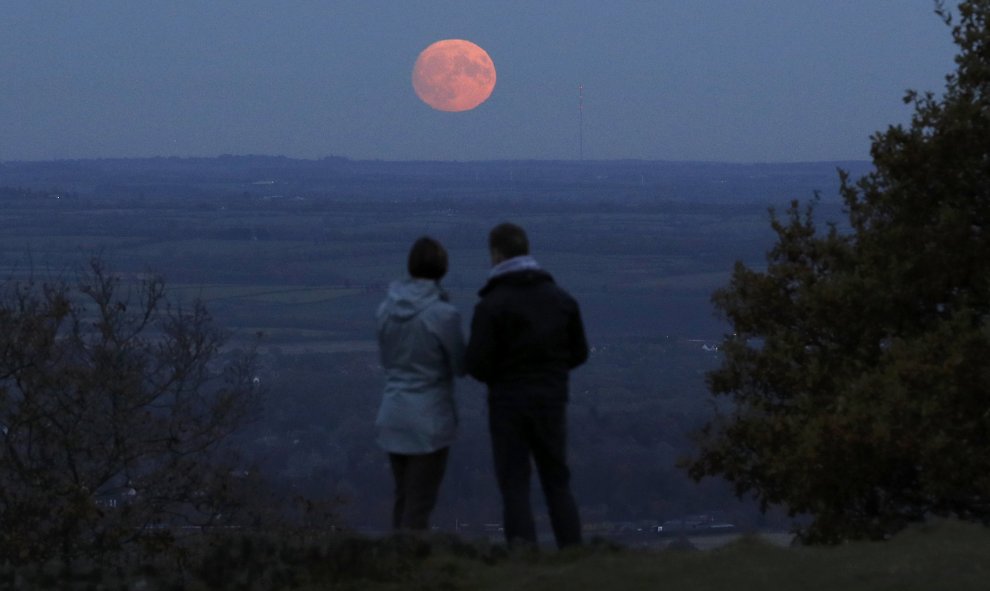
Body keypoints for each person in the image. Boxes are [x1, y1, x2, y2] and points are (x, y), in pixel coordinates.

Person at [465, 222, 588, 549]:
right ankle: (574, 556)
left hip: (507, 406)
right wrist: (551, 374)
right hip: (551, 401)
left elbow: (476, 363)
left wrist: (502, 378)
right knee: (557, 483)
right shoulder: (560, 299)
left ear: (496, 254)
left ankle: (523, 560)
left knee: (515, 486)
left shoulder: (491, 305)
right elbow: (579, 353)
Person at [375, 236, 465, 531]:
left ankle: (394, 566)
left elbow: (387, 360)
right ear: (442, 269)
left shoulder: (385, 311)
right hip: (429, 420)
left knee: (402, 498)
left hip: (392, 414)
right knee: (419, 505)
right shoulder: (444, 315)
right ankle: (410, 568)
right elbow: (460, 365)